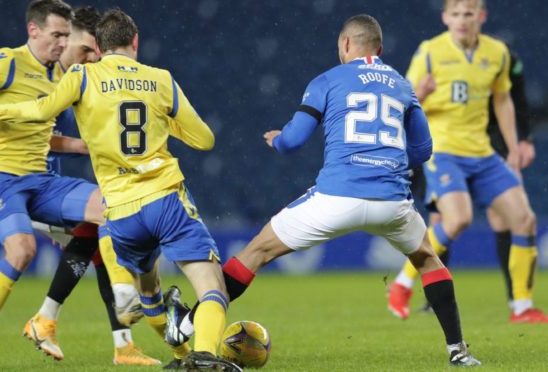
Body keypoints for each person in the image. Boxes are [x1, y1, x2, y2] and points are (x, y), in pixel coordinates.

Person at [164, 14, 480, 367]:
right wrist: (384, 163)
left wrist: (278, 140)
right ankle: (459, 351)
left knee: (255, 253)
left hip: (336, 198)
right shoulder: (403, 85)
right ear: (380, 49)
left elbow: (294, 140)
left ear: (346, 45)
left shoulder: (328, 80)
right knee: (427, 259)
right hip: (392, 201)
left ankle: (185, 326)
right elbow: (423, 151)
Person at [0, 8, 242, 372]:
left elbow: (40, 111)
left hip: (121, 211)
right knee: (210, 284)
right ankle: (200, 355)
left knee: (148, 287)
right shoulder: (160, 78)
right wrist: (164, 122)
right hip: (162, 197)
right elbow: (204, 140)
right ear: (135, 41)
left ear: (99, 45)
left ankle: (166, 348)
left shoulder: (80, 76)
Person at [0, 1, 111, 370]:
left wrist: (88, 146)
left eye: (65, 37)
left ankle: (122, 311)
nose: (61, 44)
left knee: (111, 206)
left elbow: (45, 137)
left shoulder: (59, 76)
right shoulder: (6, 61)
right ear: (33, 31)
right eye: (56, 35)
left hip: (41, 179)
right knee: (22, 251)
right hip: (3, 177)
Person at [386, 0, 547, 324]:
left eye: (468, 13)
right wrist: (423, 92)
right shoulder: (430, 51)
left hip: (483, 152)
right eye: (455, 14)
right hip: (443, 151)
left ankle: (521, 307)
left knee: (524, 219)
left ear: (481, 17)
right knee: (458, 219)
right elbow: (402, 101)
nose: (462, 20)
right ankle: (403, 282)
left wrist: (514, 146)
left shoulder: (497, 52)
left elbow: (502, 99)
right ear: (446, 17)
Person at [21, 6, 159, 366]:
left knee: (102, 242)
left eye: (95, 52)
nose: (90, 58)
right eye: (83, 50)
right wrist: (88, 146)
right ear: (63, 40)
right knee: (105, 220)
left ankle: (120, 344)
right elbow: (38, 136)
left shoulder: (80, 80)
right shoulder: (47, 79)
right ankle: (47, 319)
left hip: (53, 186)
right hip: (29, 187)